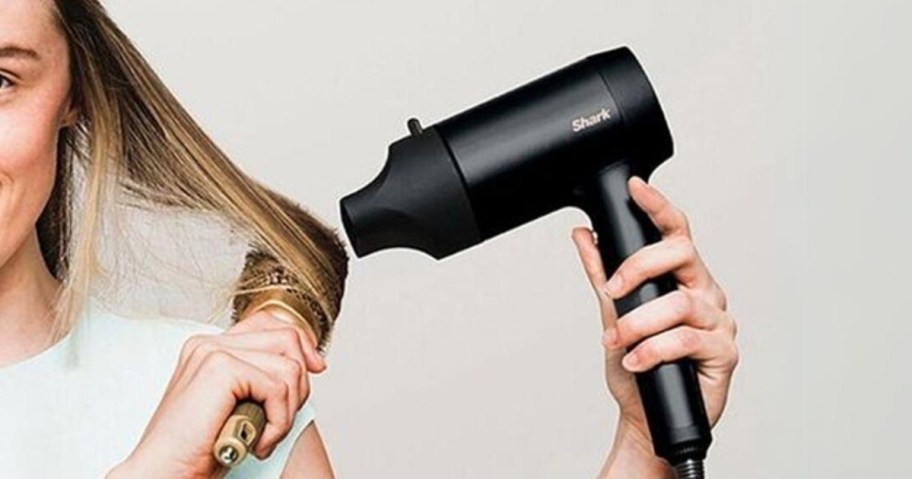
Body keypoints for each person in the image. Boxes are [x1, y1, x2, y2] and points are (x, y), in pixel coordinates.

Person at [0, 0, 739, 478]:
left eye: (0, 79)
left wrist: (647, 444)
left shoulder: (229, 405)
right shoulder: (185, 430)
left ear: (76, 97)